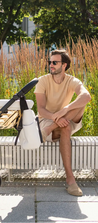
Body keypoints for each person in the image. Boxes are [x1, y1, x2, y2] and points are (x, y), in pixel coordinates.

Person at [34, 49, 91, 196]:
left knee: (81, 102)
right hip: (47, 119)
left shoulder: (72, 81)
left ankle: (48, 130)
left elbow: (86, 96)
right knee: (65, 128)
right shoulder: (43, 81)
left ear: (64, 65)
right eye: (50, 62)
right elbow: (40, 110)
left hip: (66, 117)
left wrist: (65, 109)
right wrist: (55, 117)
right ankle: (70, 180)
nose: (51, 65)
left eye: (55, 62)